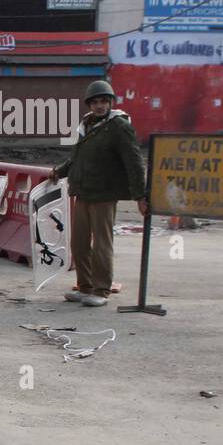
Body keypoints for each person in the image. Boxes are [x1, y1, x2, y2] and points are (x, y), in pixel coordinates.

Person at [49, 80, 147, 307]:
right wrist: (59, 172)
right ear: (89, 104)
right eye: (95, 102)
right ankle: (85, 287)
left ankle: (101, 290)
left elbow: (134, 162)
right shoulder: (87, 125)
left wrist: (140, 196)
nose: (100, 106)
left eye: (104, 101)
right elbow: (77, 158)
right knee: (79, 243)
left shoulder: (119, 126)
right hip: (83, 192)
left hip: (104, 194)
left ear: (110, 102)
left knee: (102, 244)